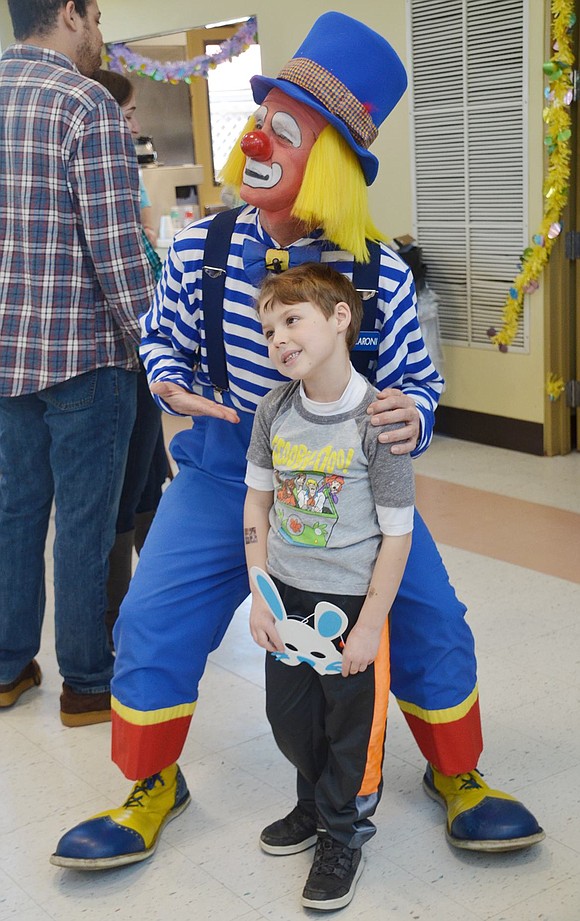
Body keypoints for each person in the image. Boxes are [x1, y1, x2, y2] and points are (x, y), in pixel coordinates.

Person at [51, 12, 543, 868]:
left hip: (351, 479)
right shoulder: (203, 248)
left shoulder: (378, 269)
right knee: (153, 617)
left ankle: (457, 773)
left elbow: (421, 381)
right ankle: (149, 782)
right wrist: (168, 381)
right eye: (256, 121)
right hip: (220, 470)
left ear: (329, 160)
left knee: (429, 618)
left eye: (281, 129)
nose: (253, 141)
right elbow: (161, 340)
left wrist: (409, 415)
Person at [0, 0, 153, 725]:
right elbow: (119, 253)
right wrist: (162, 351)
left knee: (14, 515)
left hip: (4, 359)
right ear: (68, 13)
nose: (98, 27)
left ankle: (6, 667)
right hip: (86, 359)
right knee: (87, 525)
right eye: (94, 13)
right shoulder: (86, 104)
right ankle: (88, 681)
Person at [244, 263, 414, 910]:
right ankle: (311, 802)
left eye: (292, 319)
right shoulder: (273, 410)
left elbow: (396, 535)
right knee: (289, 717)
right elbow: (256, 508)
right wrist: (262, 593)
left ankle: (342, 831)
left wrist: (370, 623)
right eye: (268, 330)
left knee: (350, 728)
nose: (278, 338)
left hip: (348, 606)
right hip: (285, 596)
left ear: (339, 318)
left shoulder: (380, 418)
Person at [93, 68, 169, 646]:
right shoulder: (97, 171)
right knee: (125, 487)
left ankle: (158, 594)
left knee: (149, 478)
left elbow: (142, 251)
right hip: (119, 355)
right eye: (128, 113)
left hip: (142, 355)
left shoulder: (125, 172)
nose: (135, 125)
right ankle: (116, 617)